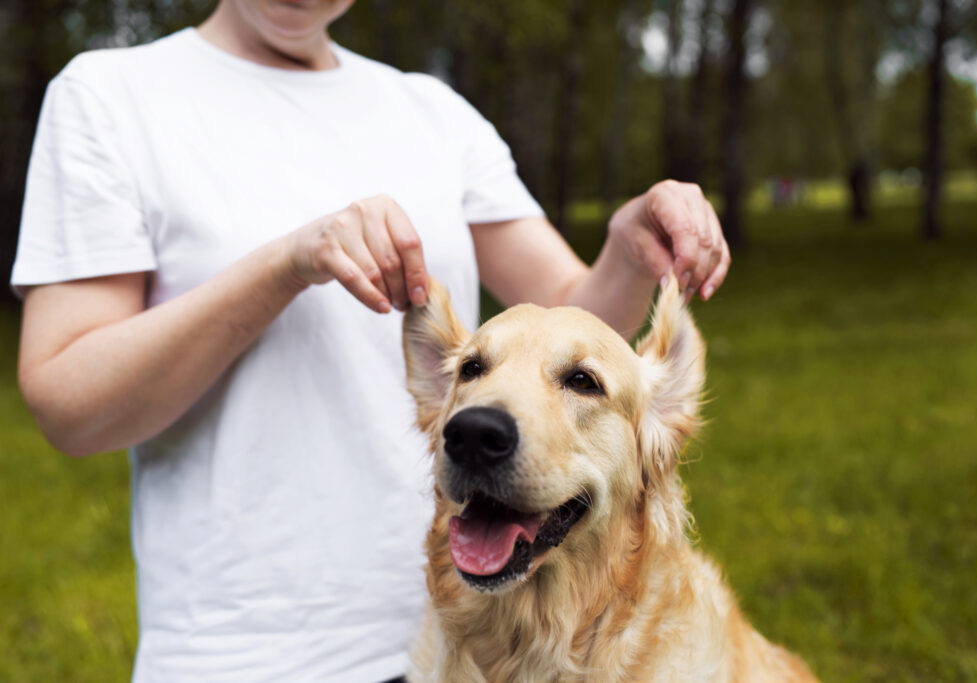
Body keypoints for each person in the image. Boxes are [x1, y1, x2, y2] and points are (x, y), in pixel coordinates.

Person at [12, 0, 731, 680]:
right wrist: (285, 264)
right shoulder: (110, 97)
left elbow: (569, 327)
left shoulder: (433, 112)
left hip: (459, 649)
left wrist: (626, 251)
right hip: (241, 652)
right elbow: (68, 402)